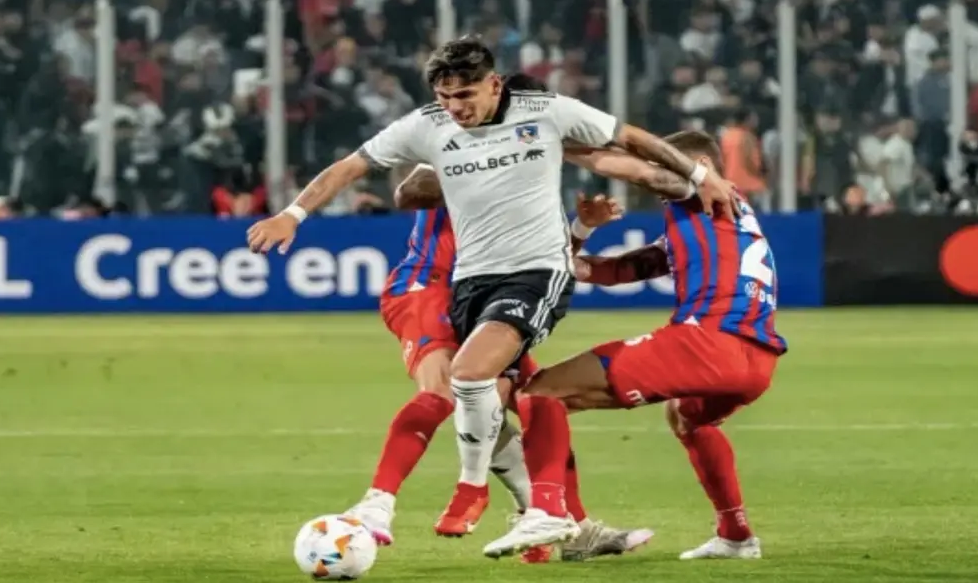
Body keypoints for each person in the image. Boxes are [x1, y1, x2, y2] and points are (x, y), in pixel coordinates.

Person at [246, 37, 733, 549]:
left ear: (498, 90)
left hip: (510, 284)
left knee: (519, 400)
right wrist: (295, 212)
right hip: (429, 283)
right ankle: (383, 503)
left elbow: (623, 157)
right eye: (447, 97)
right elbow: (403, 190)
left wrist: (692, 180)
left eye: (467, 96)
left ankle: (555, 521)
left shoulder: (544, 136)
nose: (457, 108)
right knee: (450, 390)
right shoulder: (440, 135)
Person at [481, 130, 785, 560]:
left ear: (700, 165)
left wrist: (551, 142)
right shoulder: (719, 218)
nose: (657, 175)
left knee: (543, 392)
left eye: (666, 163)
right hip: (757, 360)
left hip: (709, 340)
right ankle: (736, 535)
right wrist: (579, 240)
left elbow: (626, 167)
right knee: (686, 417)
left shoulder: (700, 188)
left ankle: (548, 511)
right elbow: (621, 270)